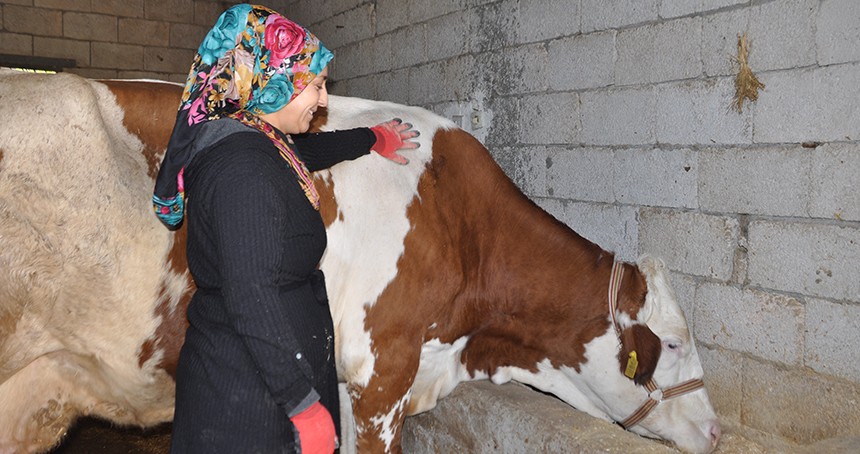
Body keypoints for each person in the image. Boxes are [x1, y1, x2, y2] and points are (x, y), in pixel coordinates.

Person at [151, 4, 419, 453]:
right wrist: (302, 405)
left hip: (254, 386)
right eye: (315, 84)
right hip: (249, 409)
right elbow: (251, 295)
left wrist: (372, 138)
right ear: (274, 78)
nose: (325, 100)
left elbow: (302, 154)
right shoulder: (242, 168)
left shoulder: (251, 136)